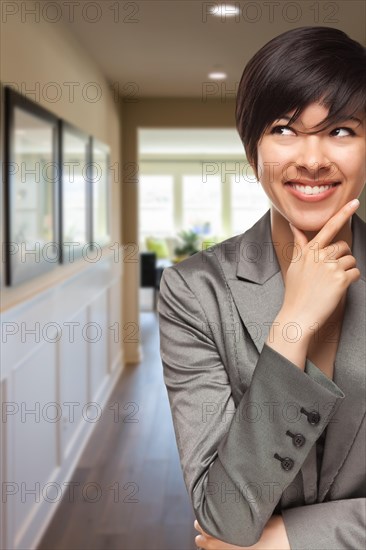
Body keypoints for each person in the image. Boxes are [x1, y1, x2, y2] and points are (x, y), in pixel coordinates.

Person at [158, 26, 365, 550]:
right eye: (284, 129)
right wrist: (292, 325)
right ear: (253, 149)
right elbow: (221, 516)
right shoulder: (194, 291)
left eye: (341, 130)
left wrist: (288, 539)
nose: (312, 158)